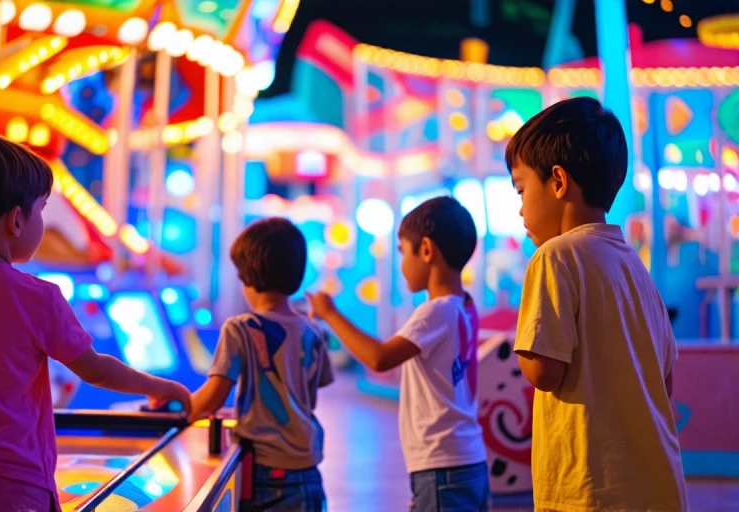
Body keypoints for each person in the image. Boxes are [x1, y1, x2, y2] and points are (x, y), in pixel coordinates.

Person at [0, 133, 191, 512]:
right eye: (42, 210)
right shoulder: (37, 296)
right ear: (16, 221)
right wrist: (160, 386)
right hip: (6, 480)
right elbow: (97, 370)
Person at [507, 96, 687, 510]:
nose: (519, 209)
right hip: (656, 484)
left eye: (521, 189)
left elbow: (544, 371)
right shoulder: (635, 268)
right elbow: (666, 382)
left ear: (557, 181)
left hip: (590, 488)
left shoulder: (554, 257)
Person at [308, 196, 490, 512]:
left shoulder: (434, 312)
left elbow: (379, 357)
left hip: (441, 463)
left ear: (427, 250)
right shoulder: (465, 306)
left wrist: (329, 313)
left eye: (403, 252)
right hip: (469, 458)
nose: (401, 263)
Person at [190, 217, 334, 512]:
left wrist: (180, 407)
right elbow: (320, 380)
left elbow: (213, 397)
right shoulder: (313, 330)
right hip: (308, 472)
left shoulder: (241, 328)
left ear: (248, 277)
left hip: (263, 473)